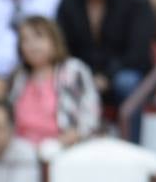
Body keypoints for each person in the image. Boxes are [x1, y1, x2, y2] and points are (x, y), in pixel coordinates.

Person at [55, 0, 155, 140]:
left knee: (127, 82)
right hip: (82, 75)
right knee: (60, 77)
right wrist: (87, 77)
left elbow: (138, 54)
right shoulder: (69, 2)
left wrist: (106, 77)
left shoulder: (135, 0)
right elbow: (61, 47)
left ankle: (131, 145)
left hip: (122, 75)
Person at [8, 15, 100, 147]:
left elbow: (91, 113)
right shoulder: (19, 77)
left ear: (54, 40)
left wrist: (76, 134)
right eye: (25, 40)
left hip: (65, 147)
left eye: (38, 37)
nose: (31, 45)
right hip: (23, 150)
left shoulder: (73, 70)